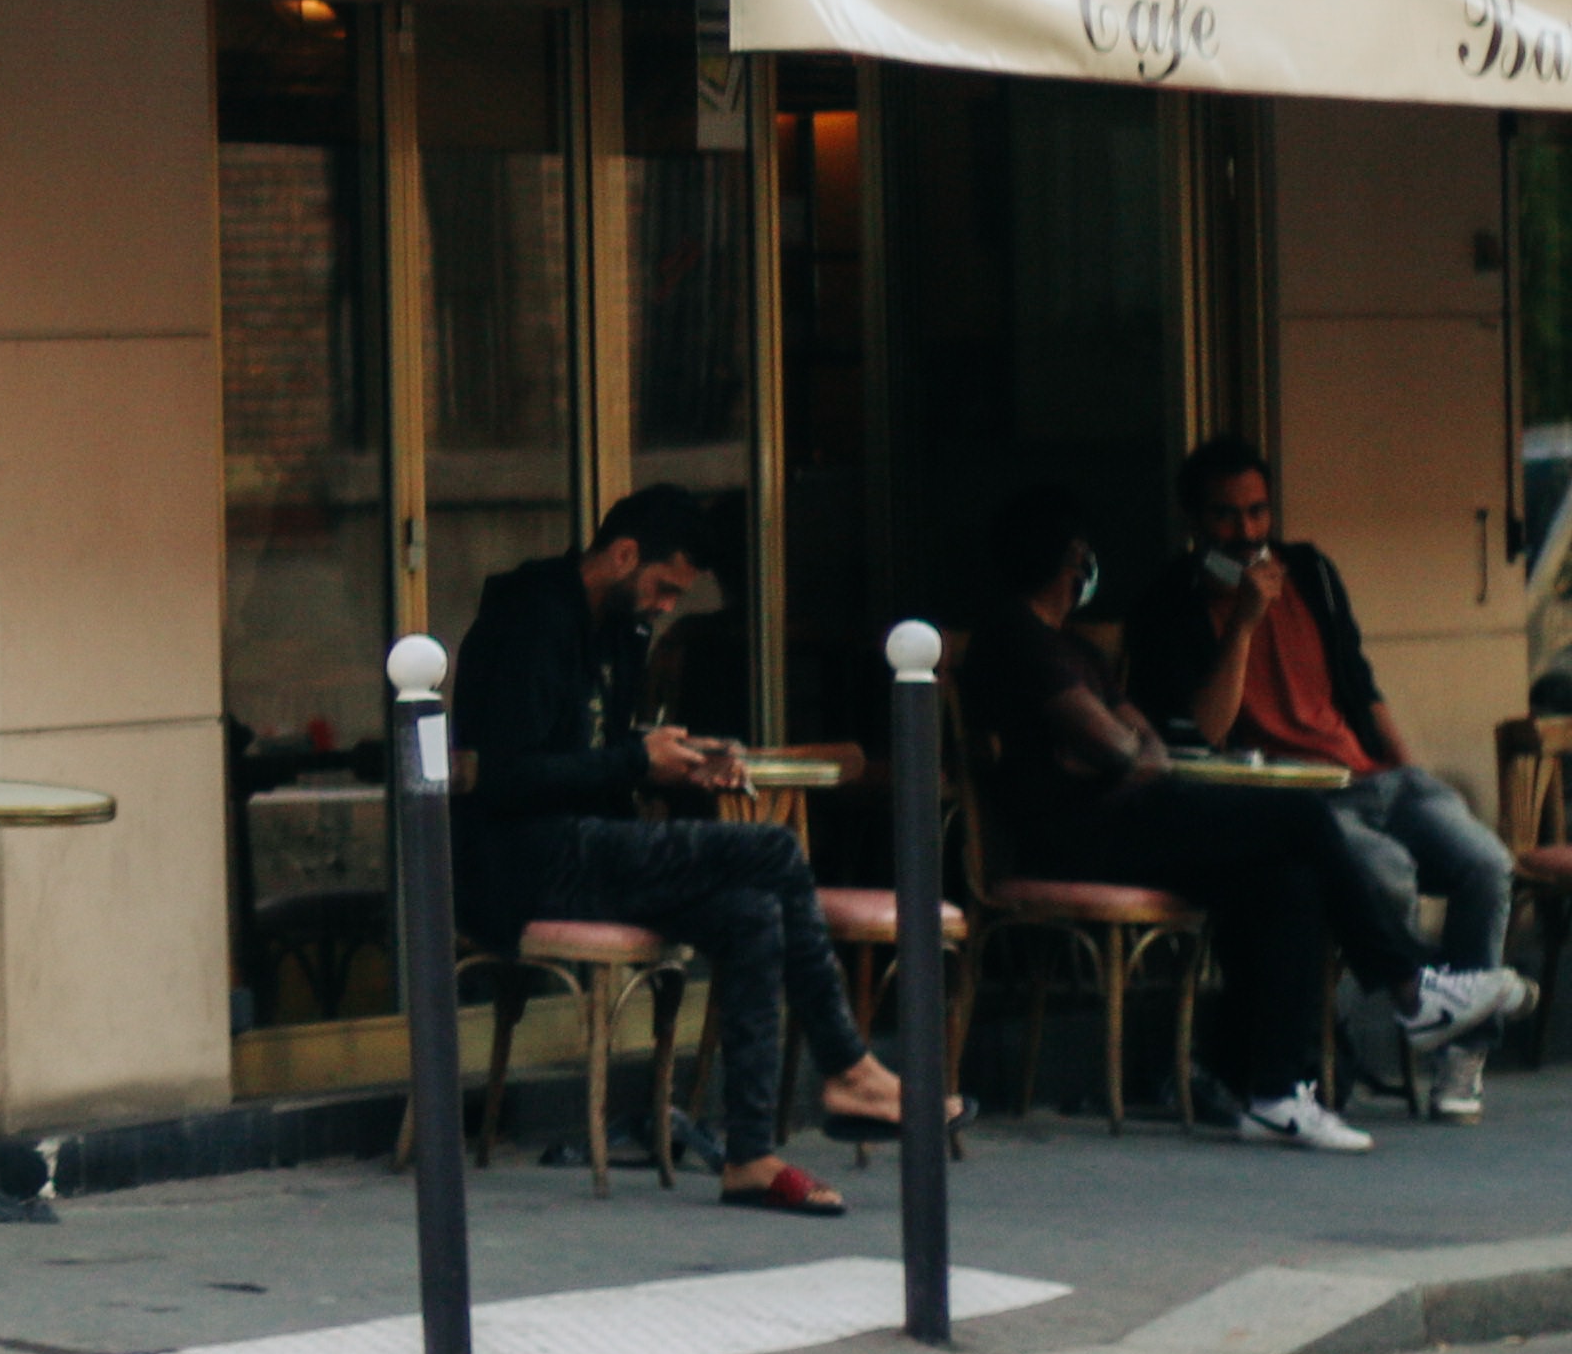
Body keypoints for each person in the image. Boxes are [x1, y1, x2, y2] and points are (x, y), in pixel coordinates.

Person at [968, 486, 1530, 1152]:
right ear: (1074, 559)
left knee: (1287, 878)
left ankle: (1276, 1094)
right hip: (1075, 840)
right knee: (1296, 818)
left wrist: (1123, 754)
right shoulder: (1016, 636)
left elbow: (1142, 745)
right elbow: (1122, 747)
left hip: (1126, 819)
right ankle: (1410, 987)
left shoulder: (1078, 650)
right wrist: (1124, 754)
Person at [455, 486, 914, 1212]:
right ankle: (848, 1064)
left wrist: (689, 756)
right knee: (771, 851)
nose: (667, 606)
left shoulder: (619, 630)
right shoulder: (527, 624)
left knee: (749, 912)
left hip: (591, 846)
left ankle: (751, 1155)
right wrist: (640, 764)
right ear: (624, 554)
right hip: (520, 860)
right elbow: (509, 777)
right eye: (665, 587)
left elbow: (601, 748)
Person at [1117, 435, 1525, 1120]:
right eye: (1225, 517)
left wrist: (1408, 771)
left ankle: (1461, 1054)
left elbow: (1360, 687)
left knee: (1485, 862)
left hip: (1371, 774)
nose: (1246, 533)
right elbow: (1210, 729)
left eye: (1257, 513)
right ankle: (1399, 1005)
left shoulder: (1310, 571)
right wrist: (1242, 623)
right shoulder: (1170, 604)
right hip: (1290, 799)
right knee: (1388, 873)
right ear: (1195, 523)